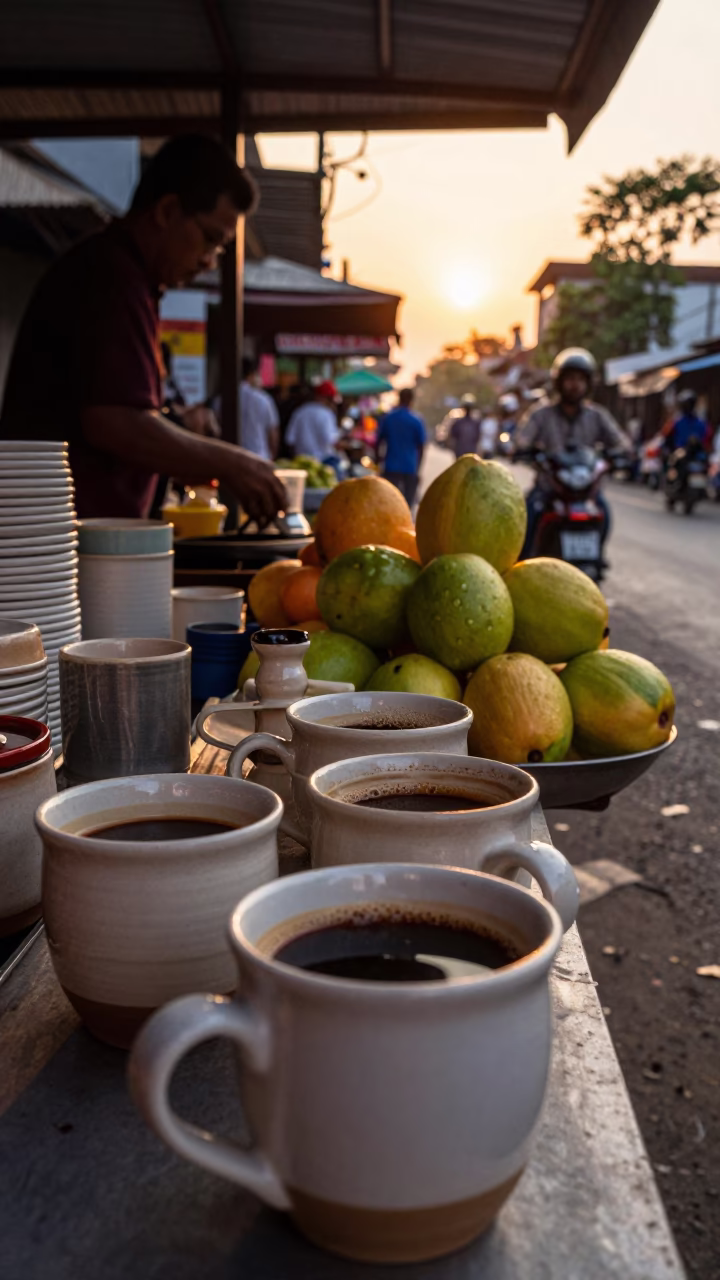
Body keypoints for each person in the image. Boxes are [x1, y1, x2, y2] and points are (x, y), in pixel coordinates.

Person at [0, 135, 285, 525]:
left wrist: (187, 438)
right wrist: (231, 462)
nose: (208, 261)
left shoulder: (131, 279)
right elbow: (114, 421)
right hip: (56, 538)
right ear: (167, 211)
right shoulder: (110, 277)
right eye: (210, 240)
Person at [514, 347, 630, 553]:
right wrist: (524, 449)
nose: (575, 385)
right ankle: (521, 564)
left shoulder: (597, 415)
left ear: (588, 384)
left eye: (580, 379)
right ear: (559, 381)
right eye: (570, 378)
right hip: (549, 489)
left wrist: (620, 453)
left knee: (604, 511)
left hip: (585, 490)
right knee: (527, 515)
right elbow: (522, 438)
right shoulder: (542, 414)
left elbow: (620, 441)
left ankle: (597, 555)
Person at [376, 388, 427, 506]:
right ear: (411, 400)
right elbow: (421, 447)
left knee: (389, 503)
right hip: (410, 468)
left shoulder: (389, 418)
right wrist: (418, 469)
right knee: (407, 505)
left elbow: (379, 441)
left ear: (399, 398)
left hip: (391, 467)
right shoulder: (416, 420)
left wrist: (378, 460)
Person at [285, 380, 340, 460]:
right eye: (330, 399)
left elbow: (290, 440)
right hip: (323, 461)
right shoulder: (326, 414)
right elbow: (331, 440)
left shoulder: (300, 411)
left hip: (301, 461)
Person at [239, 357, 280, 460]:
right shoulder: (263, 399)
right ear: (252, 375)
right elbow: (273, 432)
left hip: (231, 457)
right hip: (259, 456)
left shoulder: (221, 399)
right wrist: (272, 456)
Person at [662, 389, 713, 454]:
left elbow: (708, 442)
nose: (687, 407)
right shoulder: (676, 422)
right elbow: (666, 439)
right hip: (679, 455)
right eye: (685, 405)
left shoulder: (702, 424)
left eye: (689, 404)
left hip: (698, 456)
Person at [448, 393, 481, 457]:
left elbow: (477, 438)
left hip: (469, 452)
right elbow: (453, 435)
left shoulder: (475, 423)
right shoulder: (459, 422)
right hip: (461, 451)